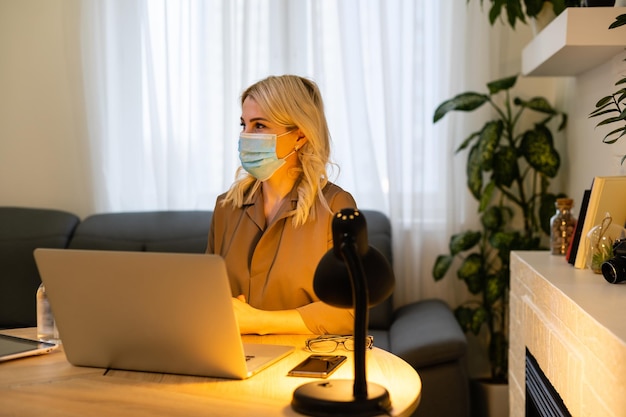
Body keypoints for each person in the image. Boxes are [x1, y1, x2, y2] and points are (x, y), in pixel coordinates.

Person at [206, 75, 357, 335]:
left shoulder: (335, 206)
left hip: (304, 359)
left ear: (300, 135)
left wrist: (257, 321)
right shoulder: (226, 206)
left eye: (260, 126)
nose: (245, 136)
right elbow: (206, 295)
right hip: (234, 355)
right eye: (244, 124)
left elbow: (348, 312)